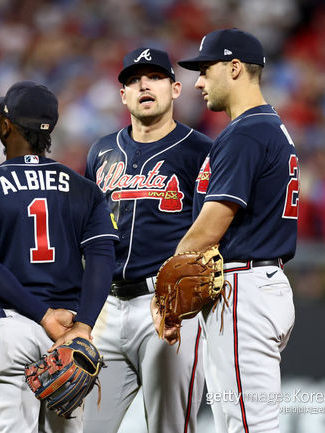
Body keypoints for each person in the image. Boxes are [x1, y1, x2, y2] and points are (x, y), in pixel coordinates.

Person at [0, 81, 118, 433]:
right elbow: (103, 259)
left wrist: (42, 315)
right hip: (68, 331)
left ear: (6, 126)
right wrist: (84, 326)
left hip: (8, 323)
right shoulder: (84, 189)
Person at [162, 28, 298, 433]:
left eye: (206, 69)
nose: (199, 82)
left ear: (235, 68)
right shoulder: (265, 127)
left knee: (248, 427)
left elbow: (211, 226)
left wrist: (165, 292)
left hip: (243, 290)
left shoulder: (247, 133)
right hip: (255, 283)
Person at [83, 47, 212, 433]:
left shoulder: (200, 151)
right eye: (134, 79)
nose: (144, 85)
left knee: (169, 427)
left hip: (171, 302)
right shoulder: (101, 151)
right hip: (106, 307)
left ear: (175, 89)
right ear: (122, 94)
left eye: (154, 77)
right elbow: (88, 233)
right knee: (82, 424)